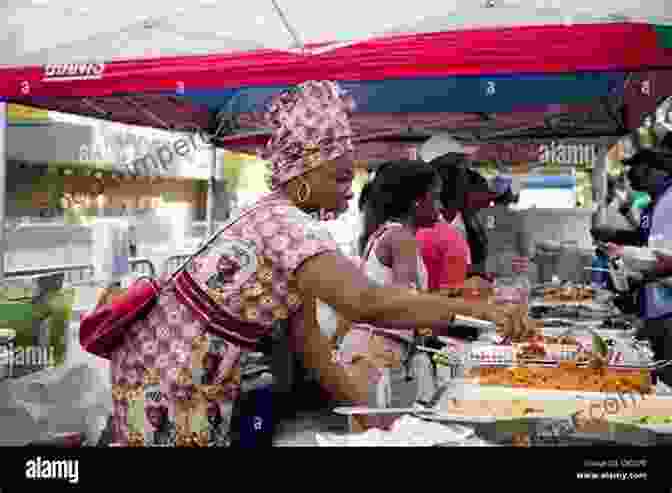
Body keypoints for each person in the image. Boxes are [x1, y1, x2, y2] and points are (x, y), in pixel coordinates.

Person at [106, 80, 528, 447]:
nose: (352, 191)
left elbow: (312, 345)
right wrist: (479, 310)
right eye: (341, 177)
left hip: (186, 374)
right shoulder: (286, 224)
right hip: (167, 377)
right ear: (304, 174)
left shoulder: (284, 225)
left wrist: (371, 421)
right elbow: (367, 303)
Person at [592, 149, 672, 386]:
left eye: (633, 168)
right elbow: (649, 242)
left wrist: (633, 267)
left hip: (666, 309)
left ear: (650, 169)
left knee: (663, 381)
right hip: (657, 307)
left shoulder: (669, 199)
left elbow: (662, 257)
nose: (628, 175)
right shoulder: (657, 200)